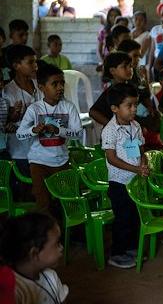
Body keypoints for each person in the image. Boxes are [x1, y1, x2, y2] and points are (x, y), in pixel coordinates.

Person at [16, 63, 82, 215]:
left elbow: (78, 133)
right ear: (42, 87)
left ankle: (67, 233)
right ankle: (46, 235)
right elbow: (20, 134)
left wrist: (59, 130)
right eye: (55, 84)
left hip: (62, 160)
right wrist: (33, 130)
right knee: (43, 203)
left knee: (69, 201)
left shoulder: (68, 107)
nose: (60, 87)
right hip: (39, 163)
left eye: (62, 83)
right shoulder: (35, 109)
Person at [102, 83, 150, 269]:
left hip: (135, 180)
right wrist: (135, 169)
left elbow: (141, 149)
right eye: (128, 105)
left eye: (135, 105)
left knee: (134, 216)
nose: (134, 109)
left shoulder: (135, 125)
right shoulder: (110, 130)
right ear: (115, 108)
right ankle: (117, 254)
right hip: (119, 182)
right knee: (122, 218)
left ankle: (130, 249)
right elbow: (111, 158)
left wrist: (143, 163)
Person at [0, 213, 69, 303]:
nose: (61, 248)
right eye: (57, 244)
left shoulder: (51, 276)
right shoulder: (14, 290)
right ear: (34, 254)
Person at [4, 45, 42, 201]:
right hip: (20, 152)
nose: (35, 66)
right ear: (16, 66)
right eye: (31, 62)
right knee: (26, 194)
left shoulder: (40, 87)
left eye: (35, 62)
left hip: (41, 151)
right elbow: (6, 123)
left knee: (41, 192)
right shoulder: (8, 92)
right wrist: (13, 117)